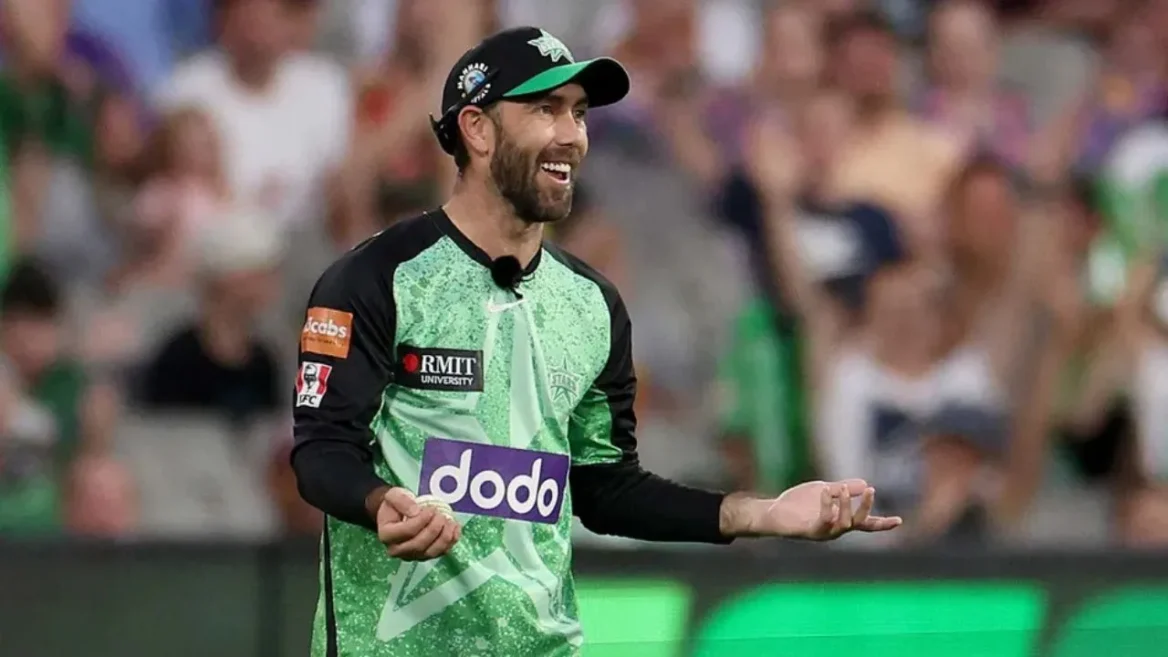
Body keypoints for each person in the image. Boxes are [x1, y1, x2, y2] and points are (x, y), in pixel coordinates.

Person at [291, 26, 902, 657]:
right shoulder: (375, 278)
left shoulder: (593, 303)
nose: (572, 135)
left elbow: (605, 488)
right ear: (476, 129)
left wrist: (763, 514)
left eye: (578, 114)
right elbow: (321, 452)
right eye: (545, 110)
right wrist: (378, 501)